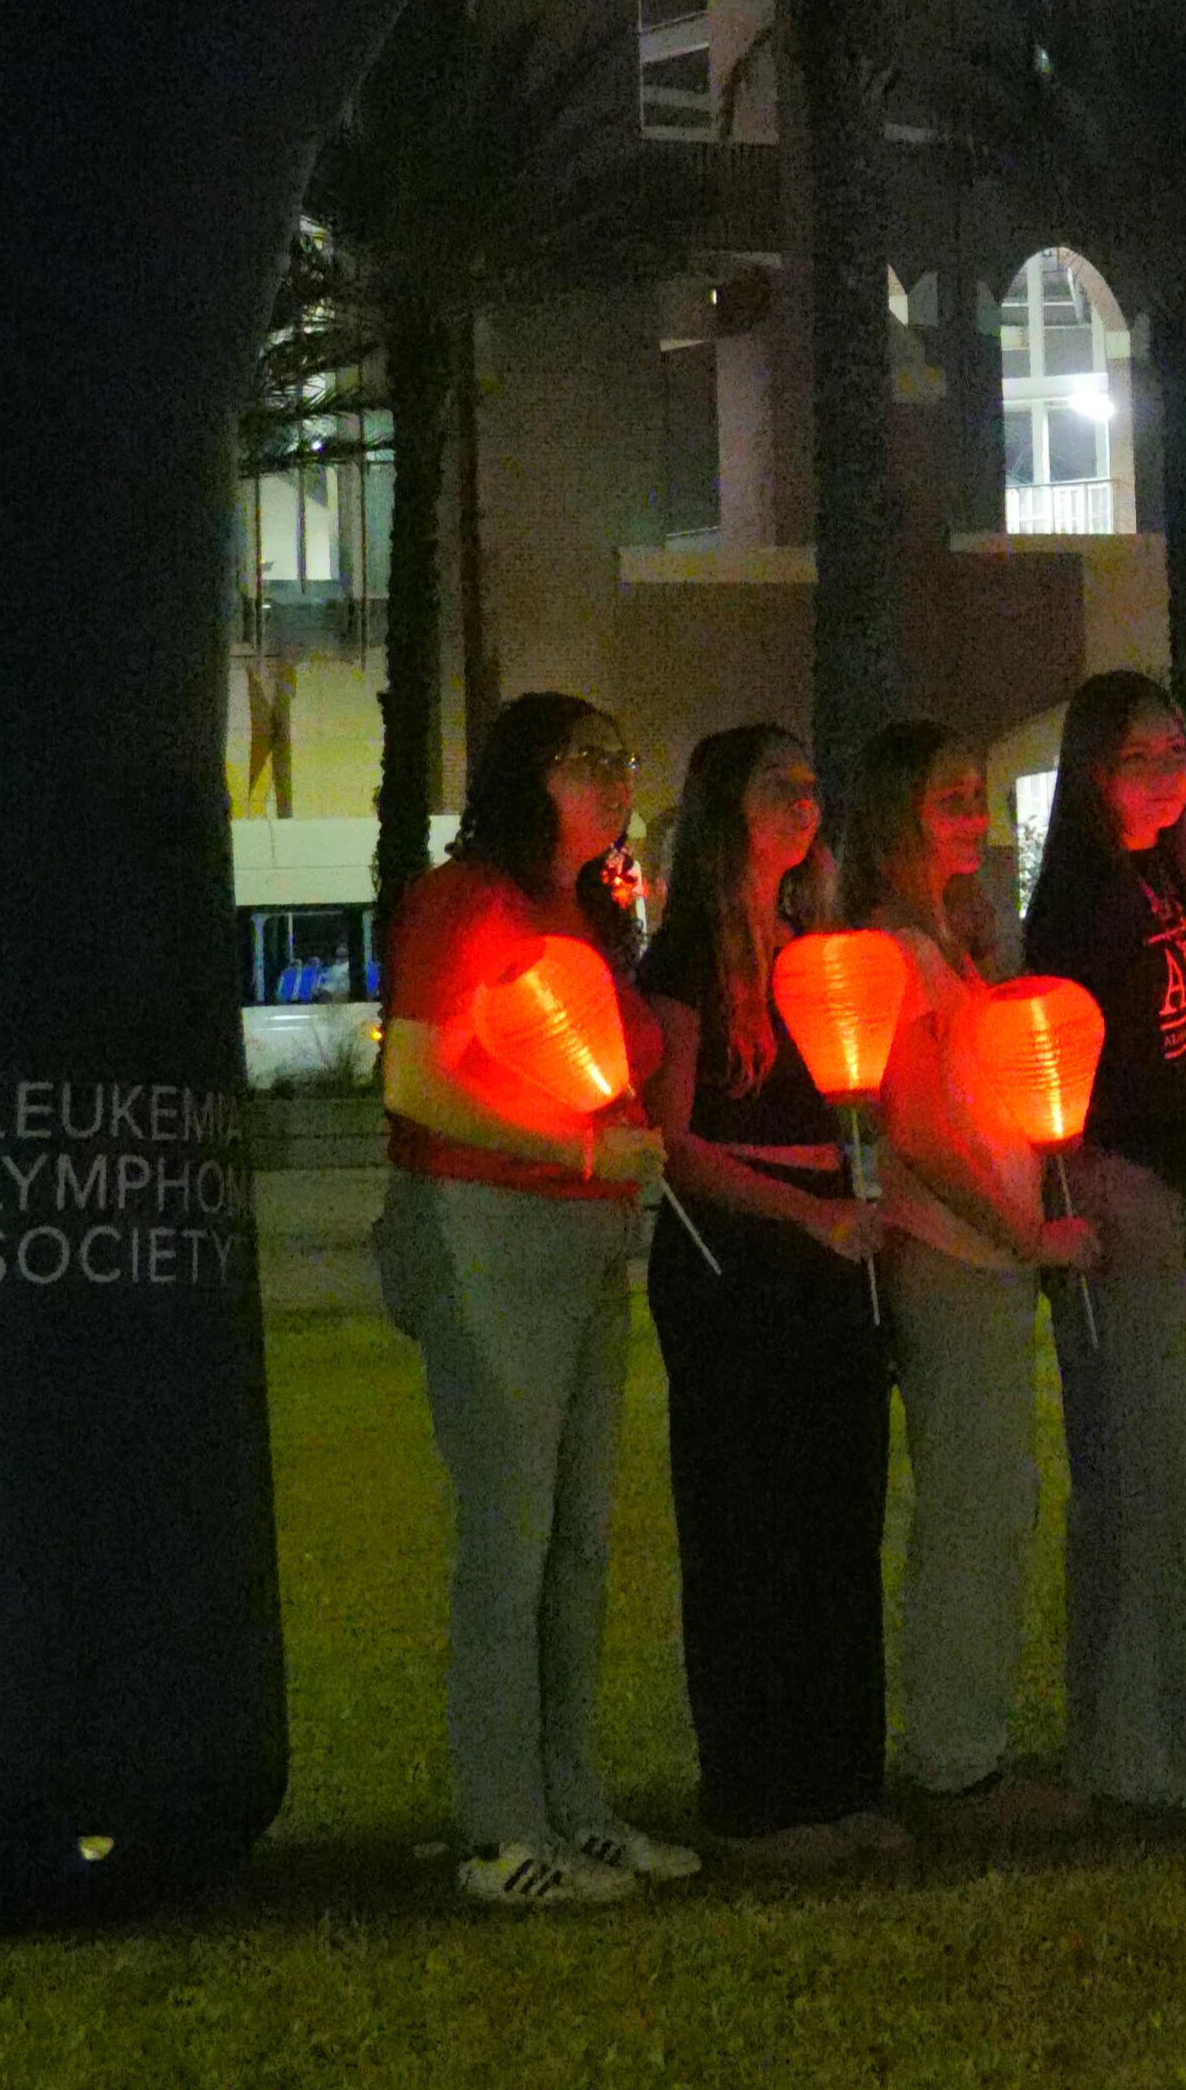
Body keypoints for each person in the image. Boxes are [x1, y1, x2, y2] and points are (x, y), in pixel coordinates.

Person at [369, 692, 702, 1908]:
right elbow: (415, 1078)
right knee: (510, 1537)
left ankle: (573, 1802)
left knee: (578, 1537)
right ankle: (500, 1827)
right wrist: (572, 1151)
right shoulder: (464, 902)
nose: (613, 779)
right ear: (524, 775)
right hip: (489, 1226)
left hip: (588, 1234)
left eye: (622, 757)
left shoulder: (590, 914)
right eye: (584, 760)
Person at [637, 724, 906, 1868]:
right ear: (723, 807)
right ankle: (754, 1792)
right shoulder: (687, 959)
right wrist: (805, 1211)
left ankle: (841, 1776)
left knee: (839, 1518)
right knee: (749, 1524)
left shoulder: (818, 951)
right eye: (775, 784)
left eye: (811, 782)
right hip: (733, 1256)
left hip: (832, 1246)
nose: (803, 800)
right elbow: (675, 1141)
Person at [852, 720, 1099, 1821]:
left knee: (994, 1499)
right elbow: (916, 1125)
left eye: (975, 798)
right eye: (949, 800)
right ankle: (957, 1759)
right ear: (899, 815)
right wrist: (1020, 1230)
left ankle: (967, 1742)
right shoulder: (895, 952)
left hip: (982, 1249)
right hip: (953, 1251)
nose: (971, 819)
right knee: (972, 1503)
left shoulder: (943, 942)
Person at [1018, 674, 1186, 1812]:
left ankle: (1160, 1733)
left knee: (1176, 1475)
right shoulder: (1082, 900)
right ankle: (1136, 1747)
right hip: (1117, 1183)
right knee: (1137, 1472)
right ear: (1092, 773)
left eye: (1177, 752)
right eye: (1138, 758)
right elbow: (1082, 1066)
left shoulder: (1171, 880)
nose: (1165, 775)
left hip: (1170, 1180)